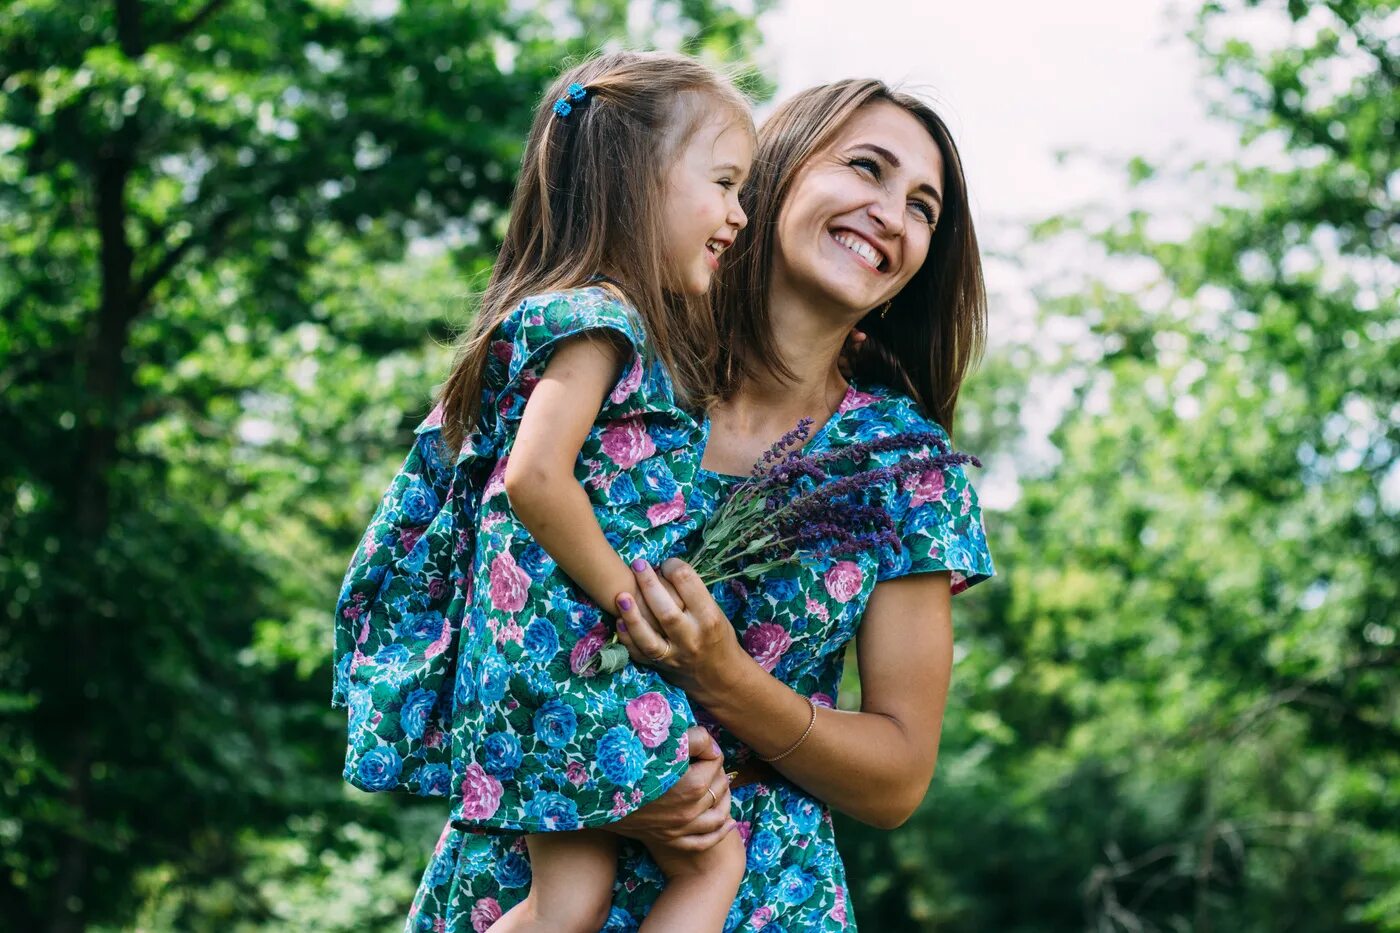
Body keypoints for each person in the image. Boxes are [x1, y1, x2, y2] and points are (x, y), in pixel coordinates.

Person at [403, 78, 993, 932]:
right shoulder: (606, 355)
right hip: (536, 863)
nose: (891, 215)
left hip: (754, 890)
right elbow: (451, 599)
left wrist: (725, 678)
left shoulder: (905, 470)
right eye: (866, 168)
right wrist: (605, 784)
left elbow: (898, 778)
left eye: (923, 209)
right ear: (769, 176)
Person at [340, 51, 755, 933]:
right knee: (712, 853)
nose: (737, 213)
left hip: (539, 660)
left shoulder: (580, 316)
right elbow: (534, 476)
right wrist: (628, 601)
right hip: (565, 660)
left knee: (569, 903)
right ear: (638, 177)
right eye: (722, 181)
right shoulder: (599, 320)